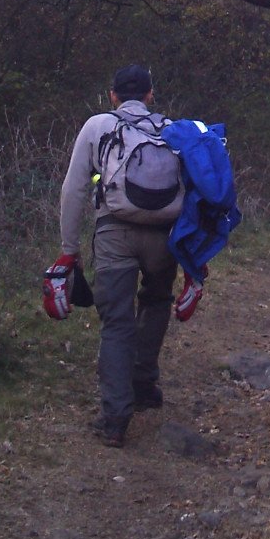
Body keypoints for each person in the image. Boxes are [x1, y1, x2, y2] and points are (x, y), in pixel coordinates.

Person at [51, 63, 183, 448]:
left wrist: (69, 250)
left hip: (114, 234)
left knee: (117, 322)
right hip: (164, 237)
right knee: (156, 301)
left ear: (112, 96)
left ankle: (115, 419)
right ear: (150, 95)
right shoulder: (171, 129)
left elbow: (74, 190)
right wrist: (195, 253)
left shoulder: (98, 126)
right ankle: (143, 384)